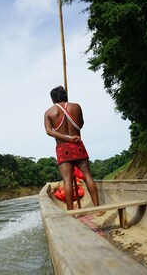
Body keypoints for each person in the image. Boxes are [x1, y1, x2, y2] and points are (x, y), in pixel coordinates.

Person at [44, 86, 105, 216]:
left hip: (63, 147)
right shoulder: (76, 107)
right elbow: (80, 124)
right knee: (87, 175)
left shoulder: (49, 112)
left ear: (53, 99)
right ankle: (98, 208)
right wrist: (71, 136)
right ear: (65, 95)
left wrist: (66, 138)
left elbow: (49, 131)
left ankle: (71, 212)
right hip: (77, 144)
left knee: (67, 180)